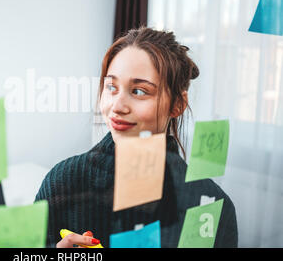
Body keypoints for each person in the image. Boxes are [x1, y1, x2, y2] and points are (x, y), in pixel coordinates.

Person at [35, 27, 238, 248]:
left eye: (139, 91)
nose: (117, 106)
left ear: (178, 104)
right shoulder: (63, 182)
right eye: (111, 87)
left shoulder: (211, 206)